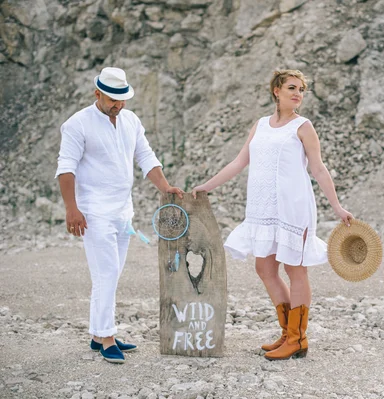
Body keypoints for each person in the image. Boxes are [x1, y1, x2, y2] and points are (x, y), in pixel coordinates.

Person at [192, 69, 352, 360]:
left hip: (293, 207)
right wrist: (207, 186)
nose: (298, 94)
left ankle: (297, 338)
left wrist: (337, 207)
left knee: (295, 270)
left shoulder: (303, 126)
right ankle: (287, 333)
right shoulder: (261, 125)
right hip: (262, 209)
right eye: (292, 87)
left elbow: (318, 169)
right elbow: (239, 162)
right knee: (265, 269)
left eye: (302, 90)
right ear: (276, 91)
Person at [55, 67, 184, 364]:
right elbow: (66, 168)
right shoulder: (77, 124)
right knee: (106, 273)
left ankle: (98, 335)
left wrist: (165, 188)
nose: (119, 104)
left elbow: (145, 156)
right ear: (97, 94)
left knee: (110, 274)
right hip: (92, 211)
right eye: (113, 99)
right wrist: (71, 208)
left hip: (123, 211)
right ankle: (107, 337)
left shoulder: (131, 120)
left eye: (122, 98)